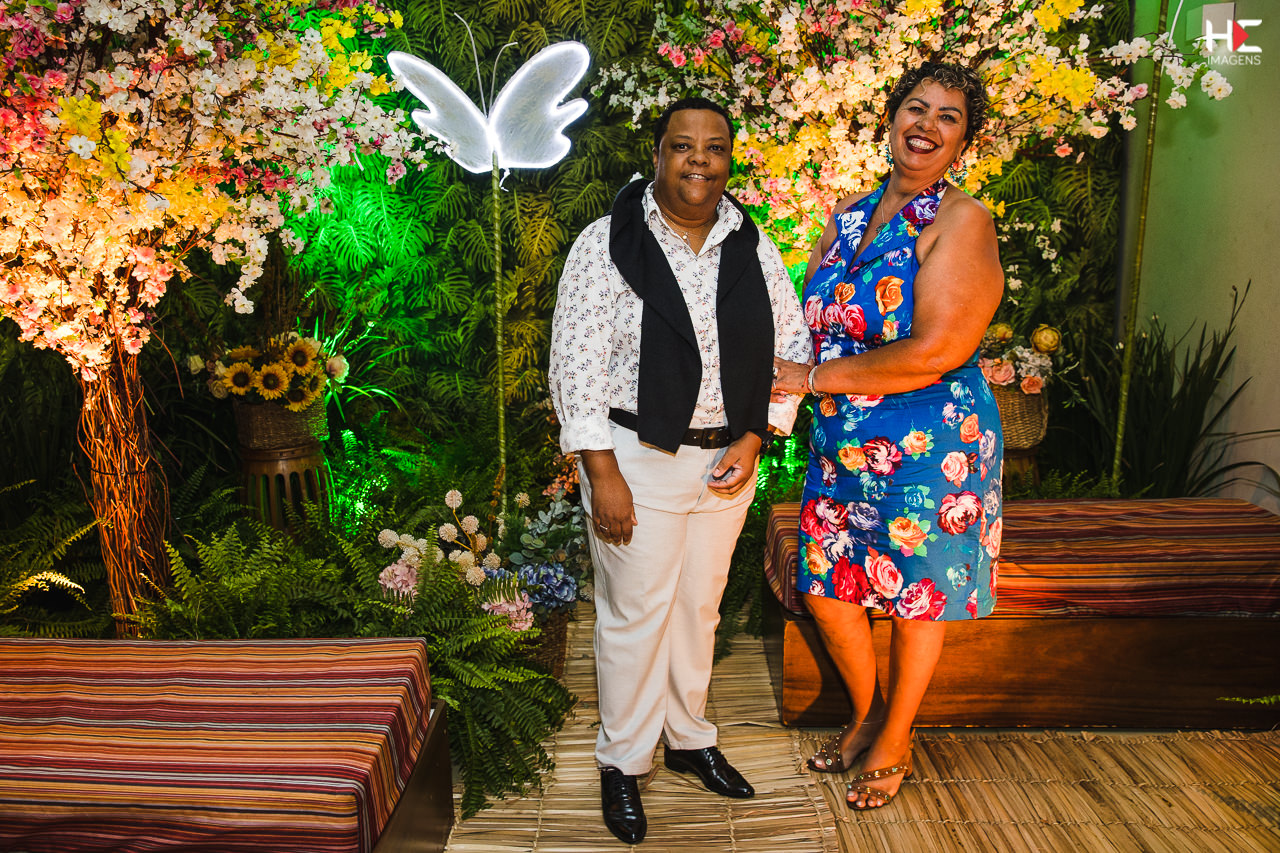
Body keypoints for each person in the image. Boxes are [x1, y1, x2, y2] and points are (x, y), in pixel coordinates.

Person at [549, 96, 811, 844]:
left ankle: (689, 738)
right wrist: (602, 472)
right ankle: (624, 760)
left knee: (699, 608)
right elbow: (576, 364)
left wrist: (757, 436)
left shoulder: (750, 243)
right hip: (637, 457)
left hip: (727, 459)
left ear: (729, 159)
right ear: (658, 153)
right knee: (635, 615)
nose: (700, 159)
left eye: (715, 147)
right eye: (682, 145)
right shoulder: (608, 241)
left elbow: (789, 347)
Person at [771, 62, 1005, 811]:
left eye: (948, 117)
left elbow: (938, 349)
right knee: (828, 588)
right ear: (891, 117)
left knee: (916, 595)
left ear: (964, 142)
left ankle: (895, 737)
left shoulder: (961, 221)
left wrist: (809, 379)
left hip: (930, 443)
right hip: (840, 440)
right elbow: (804, 322)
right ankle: (869, 714)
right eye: (916, 107)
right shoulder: (846, 216)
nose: (927, 125)